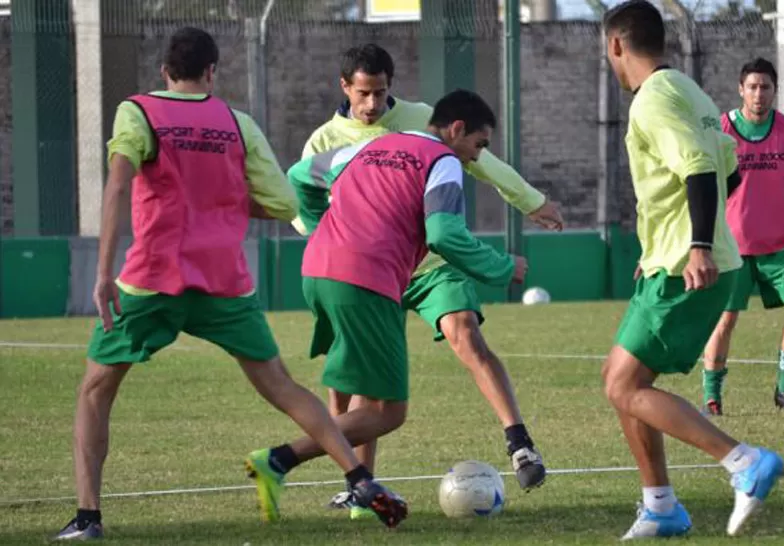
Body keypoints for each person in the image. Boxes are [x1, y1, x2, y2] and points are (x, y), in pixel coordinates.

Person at [53, 28, 410, 541]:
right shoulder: (235, 122)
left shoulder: (139, 112)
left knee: (95, 390)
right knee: (283, 387)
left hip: (151, 279)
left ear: (164, 72)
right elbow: (285, 204)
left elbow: (118, 181)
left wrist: (104, 271)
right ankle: (358, 477)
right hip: (224, 280)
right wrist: (226, 201)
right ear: (213, 73)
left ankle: (87, 518)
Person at [245, 89, 528, 523]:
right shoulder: (443, 162)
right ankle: (280, 460)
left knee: (360, 393)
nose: (476, 157)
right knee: (386, 411)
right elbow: (444, 236)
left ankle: (358, 486)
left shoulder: (370, 145)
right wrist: (502, 267)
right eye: (479, 145)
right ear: (456, 130)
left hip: (318, 270)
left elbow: (300, 174)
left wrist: (325, 226)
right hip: (365, 278)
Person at [295, 44, 555, 514]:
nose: (373, 104)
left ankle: (519, 443)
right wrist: (322, 232)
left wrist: (531, 201)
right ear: (344, 88)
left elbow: (483, 161)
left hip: (431, 263)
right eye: (363, 93)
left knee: (465, 333)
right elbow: (301, 193)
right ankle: (359, 481)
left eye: (381, 92)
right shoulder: (324, 140)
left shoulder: (423, 119)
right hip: (368, 266)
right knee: (350, 380)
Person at [599, 1, 784, 539]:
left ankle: (742, 462)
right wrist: (671, 238)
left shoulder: (650, 103)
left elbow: (703, 168)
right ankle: (660, 506)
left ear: (617, 45)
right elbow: (730, 163)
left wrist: (697, 244)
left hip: (689, 267)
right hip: (674, 261)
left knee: (624, 385)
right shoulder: (689, 90)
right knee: (621, 380)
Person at [700, 58, 784, 417]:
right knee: (725, 320)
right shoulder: (721, 130)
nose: (758, 93)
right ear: (741, 90)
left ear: (774, 90)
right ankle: (711, 398)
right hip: (731, 248)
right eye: (752, 87)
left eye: (765, 87)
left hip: (778, 245)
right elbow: (702, 182)